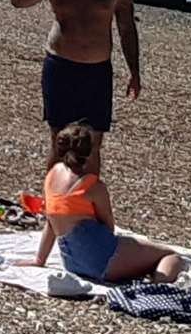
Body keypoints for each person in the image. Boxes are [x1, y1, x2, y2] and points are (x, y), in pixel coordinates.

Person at [10, 0, 139, 173]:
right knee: (59, 140)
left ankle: (86, 200)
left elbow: (127, 29)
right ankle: (54, 202)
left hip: (96, 71)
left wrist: (135, 72)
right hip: (60, 67)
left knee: (92, 144)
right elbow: (23, 0)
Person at [24, 122, 182, 284]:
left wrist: (40, 259)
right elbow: (108, 226)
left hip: (72, 263)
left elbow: (51, 222)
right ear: (90, 151)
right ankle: (157, 287)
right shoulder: (92, 186)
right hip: (102, 261)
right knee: (170, 255)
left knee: (137, 248)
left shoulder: (52, 175)